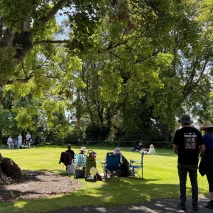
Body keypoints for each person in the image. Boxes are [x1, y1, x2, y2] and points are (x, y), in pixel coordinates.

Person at [173, 114, 205, 211]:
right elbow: (203, 148)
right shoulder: (197, 132)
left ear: (182, 122)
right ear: (189, 122)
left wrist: (180, 151)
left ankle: (182, 203)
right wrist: (196, 152)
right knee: (194, 182)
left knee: (182, 182)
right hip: (194, 161)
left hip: (182, 161)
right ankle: (195, 204)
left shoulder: (179, 132)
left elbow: (174, 147)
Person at [199, 121, 213, 209]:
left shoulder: (206, 137)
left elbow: (202, 148)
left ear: (205, 129)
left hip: (209, 159)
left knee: (211, 181)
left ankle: (212, 201)